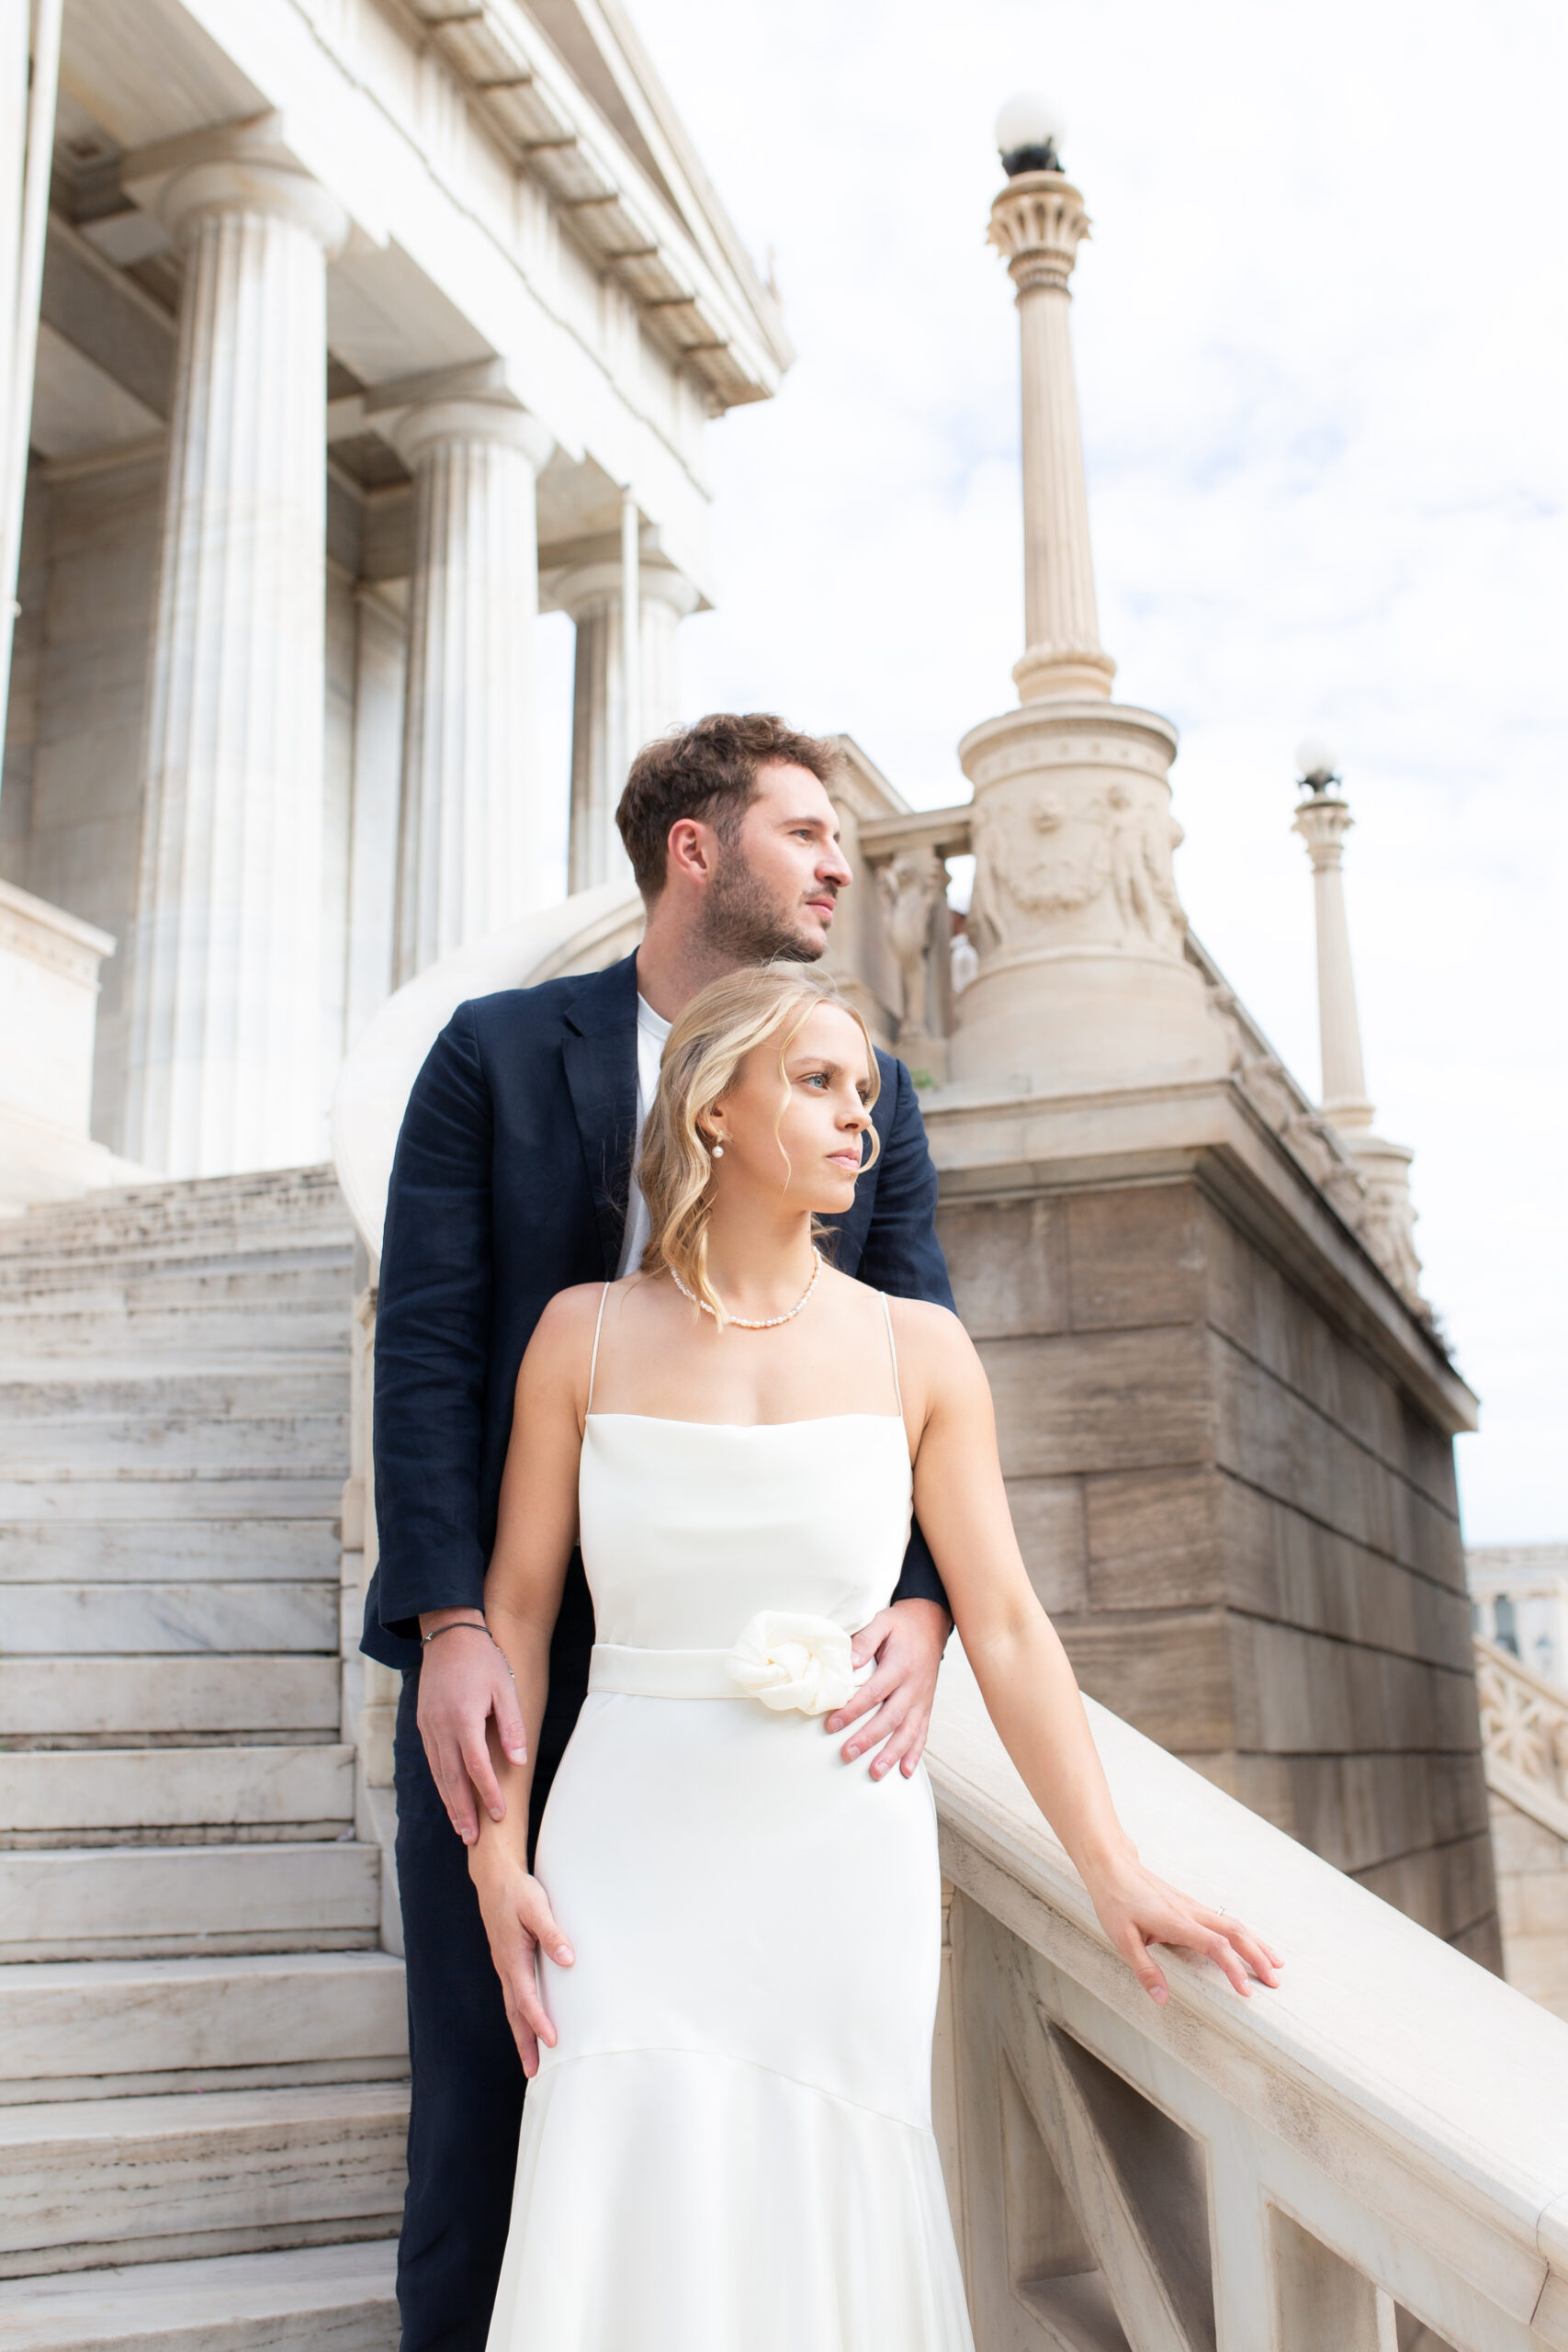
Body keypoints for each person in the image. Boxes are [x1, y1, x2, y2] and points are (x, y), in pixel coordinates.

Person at [470, 965, 1282, 2350]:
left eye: (863, 1091)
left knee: (826, 2199)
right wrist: (497, 1858)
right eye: (816, 1083)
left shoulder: (921, 1351)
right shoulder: (579, 1339)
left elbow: (1010, 1624)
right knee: (620, 2172)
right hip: (620, 1847)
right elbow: (521, 1620)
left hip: (837, 1858)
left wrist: (1114, 1867)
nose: (858, 1118)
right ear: (715, 1107)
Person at [365, 715, 958, 2352]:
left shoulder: (868, 1090)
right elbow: (421, 1343)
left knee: (769, 2135)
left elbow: (916, 1341)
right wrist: (449, 1626)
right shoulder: (495, 1052)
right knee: (491, 2116)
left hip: (778, 1716)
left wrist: (923, 1598)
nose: (840, 859)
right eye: (802, 829)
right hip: (516, 1664)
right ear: (695, 851)